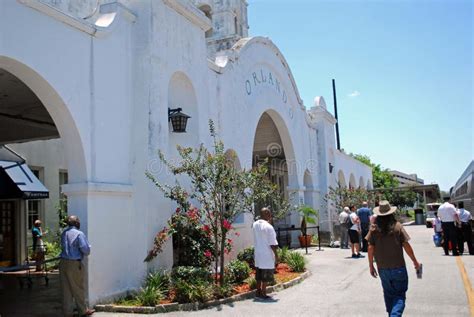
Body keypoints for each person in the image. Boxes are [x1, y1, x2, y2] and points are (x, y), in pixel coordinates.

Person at [366, 200, 421, 317]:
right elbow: (406, 246)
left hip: (382, 268)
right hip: (398, 267)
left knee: (388, 292)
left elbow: (370, 248)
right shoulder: (397, 227)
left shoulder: (374, 229)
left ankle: (391, 313)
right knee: (400, 295)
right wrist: (415, 261)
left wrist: (371, 265)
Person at [60, 215, 94, 316]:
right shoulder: (79, 234)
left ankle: (68, 313)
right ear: (75, 223)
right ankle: (83, 310)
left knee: (66, 290)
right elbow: (86, 250)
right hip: (74, 263)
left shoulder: (64, 233)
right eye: (78, 221)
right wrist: (88, 247)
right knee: (78, 288)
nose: (79, 222)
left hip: (63, 263)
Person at [253, 207, 279, 299]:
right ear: (267, 214)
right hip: (266, 254)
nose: (270, 215)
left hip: (258, 253)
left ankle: (258, 292)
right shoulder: (269, 227)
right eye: (269, 213)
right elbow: (272, 244)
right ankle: (263, 293)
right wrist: (276, 256)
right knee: (265, 274)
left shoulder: (255, 224)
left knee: (259, 273)